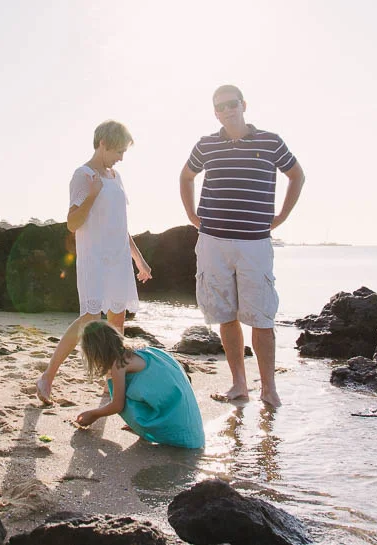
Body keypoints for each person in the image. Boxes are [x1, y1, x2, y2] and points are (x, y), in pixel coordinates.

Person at [179, 84, 305, 408]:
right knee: (225, 314)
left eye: (232, 104)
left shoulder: (271, 141)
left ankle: (269, 389)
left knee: (262, 318)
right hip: (213, 242)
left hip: (254, 243)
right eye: (220, 106)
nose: (227, 110)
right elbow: (186, 177)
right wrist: (192, 214)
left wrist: (282, 216)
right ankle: (239, 384)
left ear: (244, 105)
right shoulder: (206, 145)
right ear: (215, 112)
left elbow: (297, 175)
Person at [36, 120, 152, 404]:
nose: (121, 157)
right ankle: (48, 376)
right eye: (119, 150)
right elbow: (73, 223)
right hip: (95, 259)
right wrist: (92, 194)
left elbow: (119, 224)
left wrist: (139, 259)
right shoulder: (83, 175)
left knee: (117, 320)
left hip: (118, 258)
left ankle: (111, 384)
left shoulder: (116, 176)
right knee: (90, 319)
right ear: (103, 143)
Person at [75, 321, 205, 449]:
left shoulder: (119, 365)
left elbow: (117, 405)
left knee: (117, 390)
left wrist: (93, 414)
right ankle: (143, 422)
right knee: (129, 384)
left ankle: (144, 426)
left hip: (177, 433)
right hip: (189, 425)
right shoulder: (145, 351)